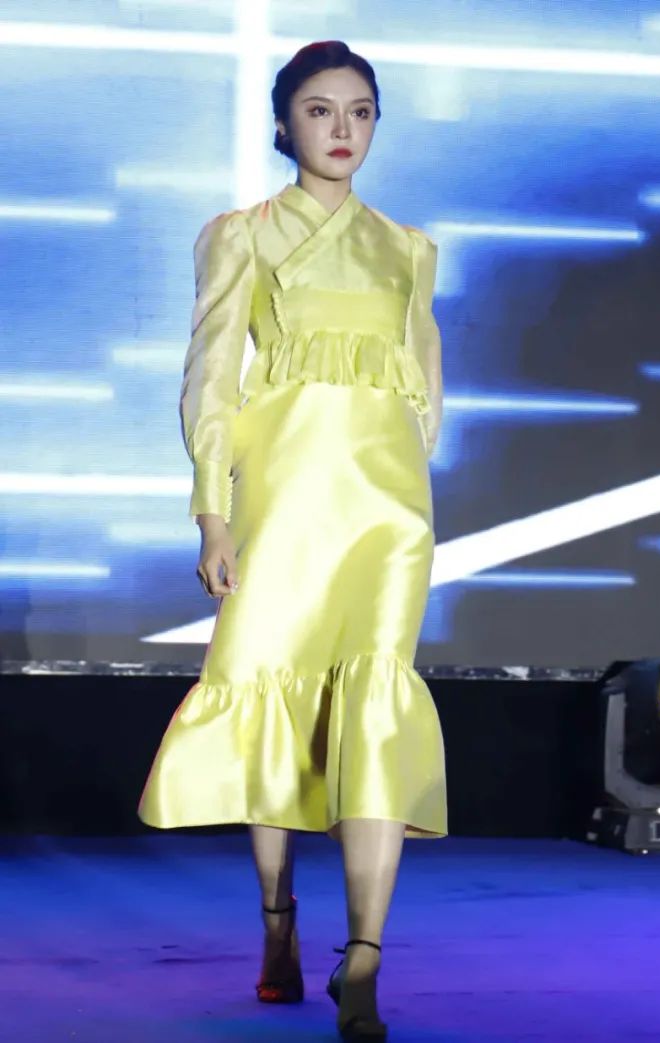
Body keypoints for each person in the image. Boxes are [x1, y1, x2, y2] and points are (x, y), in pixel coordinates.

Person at [137, 40, 446, 1042]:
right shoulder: (242, 235)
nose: (342, 128)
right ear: (284, 124)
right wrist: (212, 509)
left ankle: (365, 955)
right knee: (273, 694)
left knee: (375, 697)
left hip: (386, 507)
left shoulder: (409, 248)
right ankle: (279, 921)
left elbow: (424, 382)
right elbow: (211, 375)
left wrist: (405, 469)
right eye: (320, 109)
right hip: (283, 494)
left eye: (360, 110)